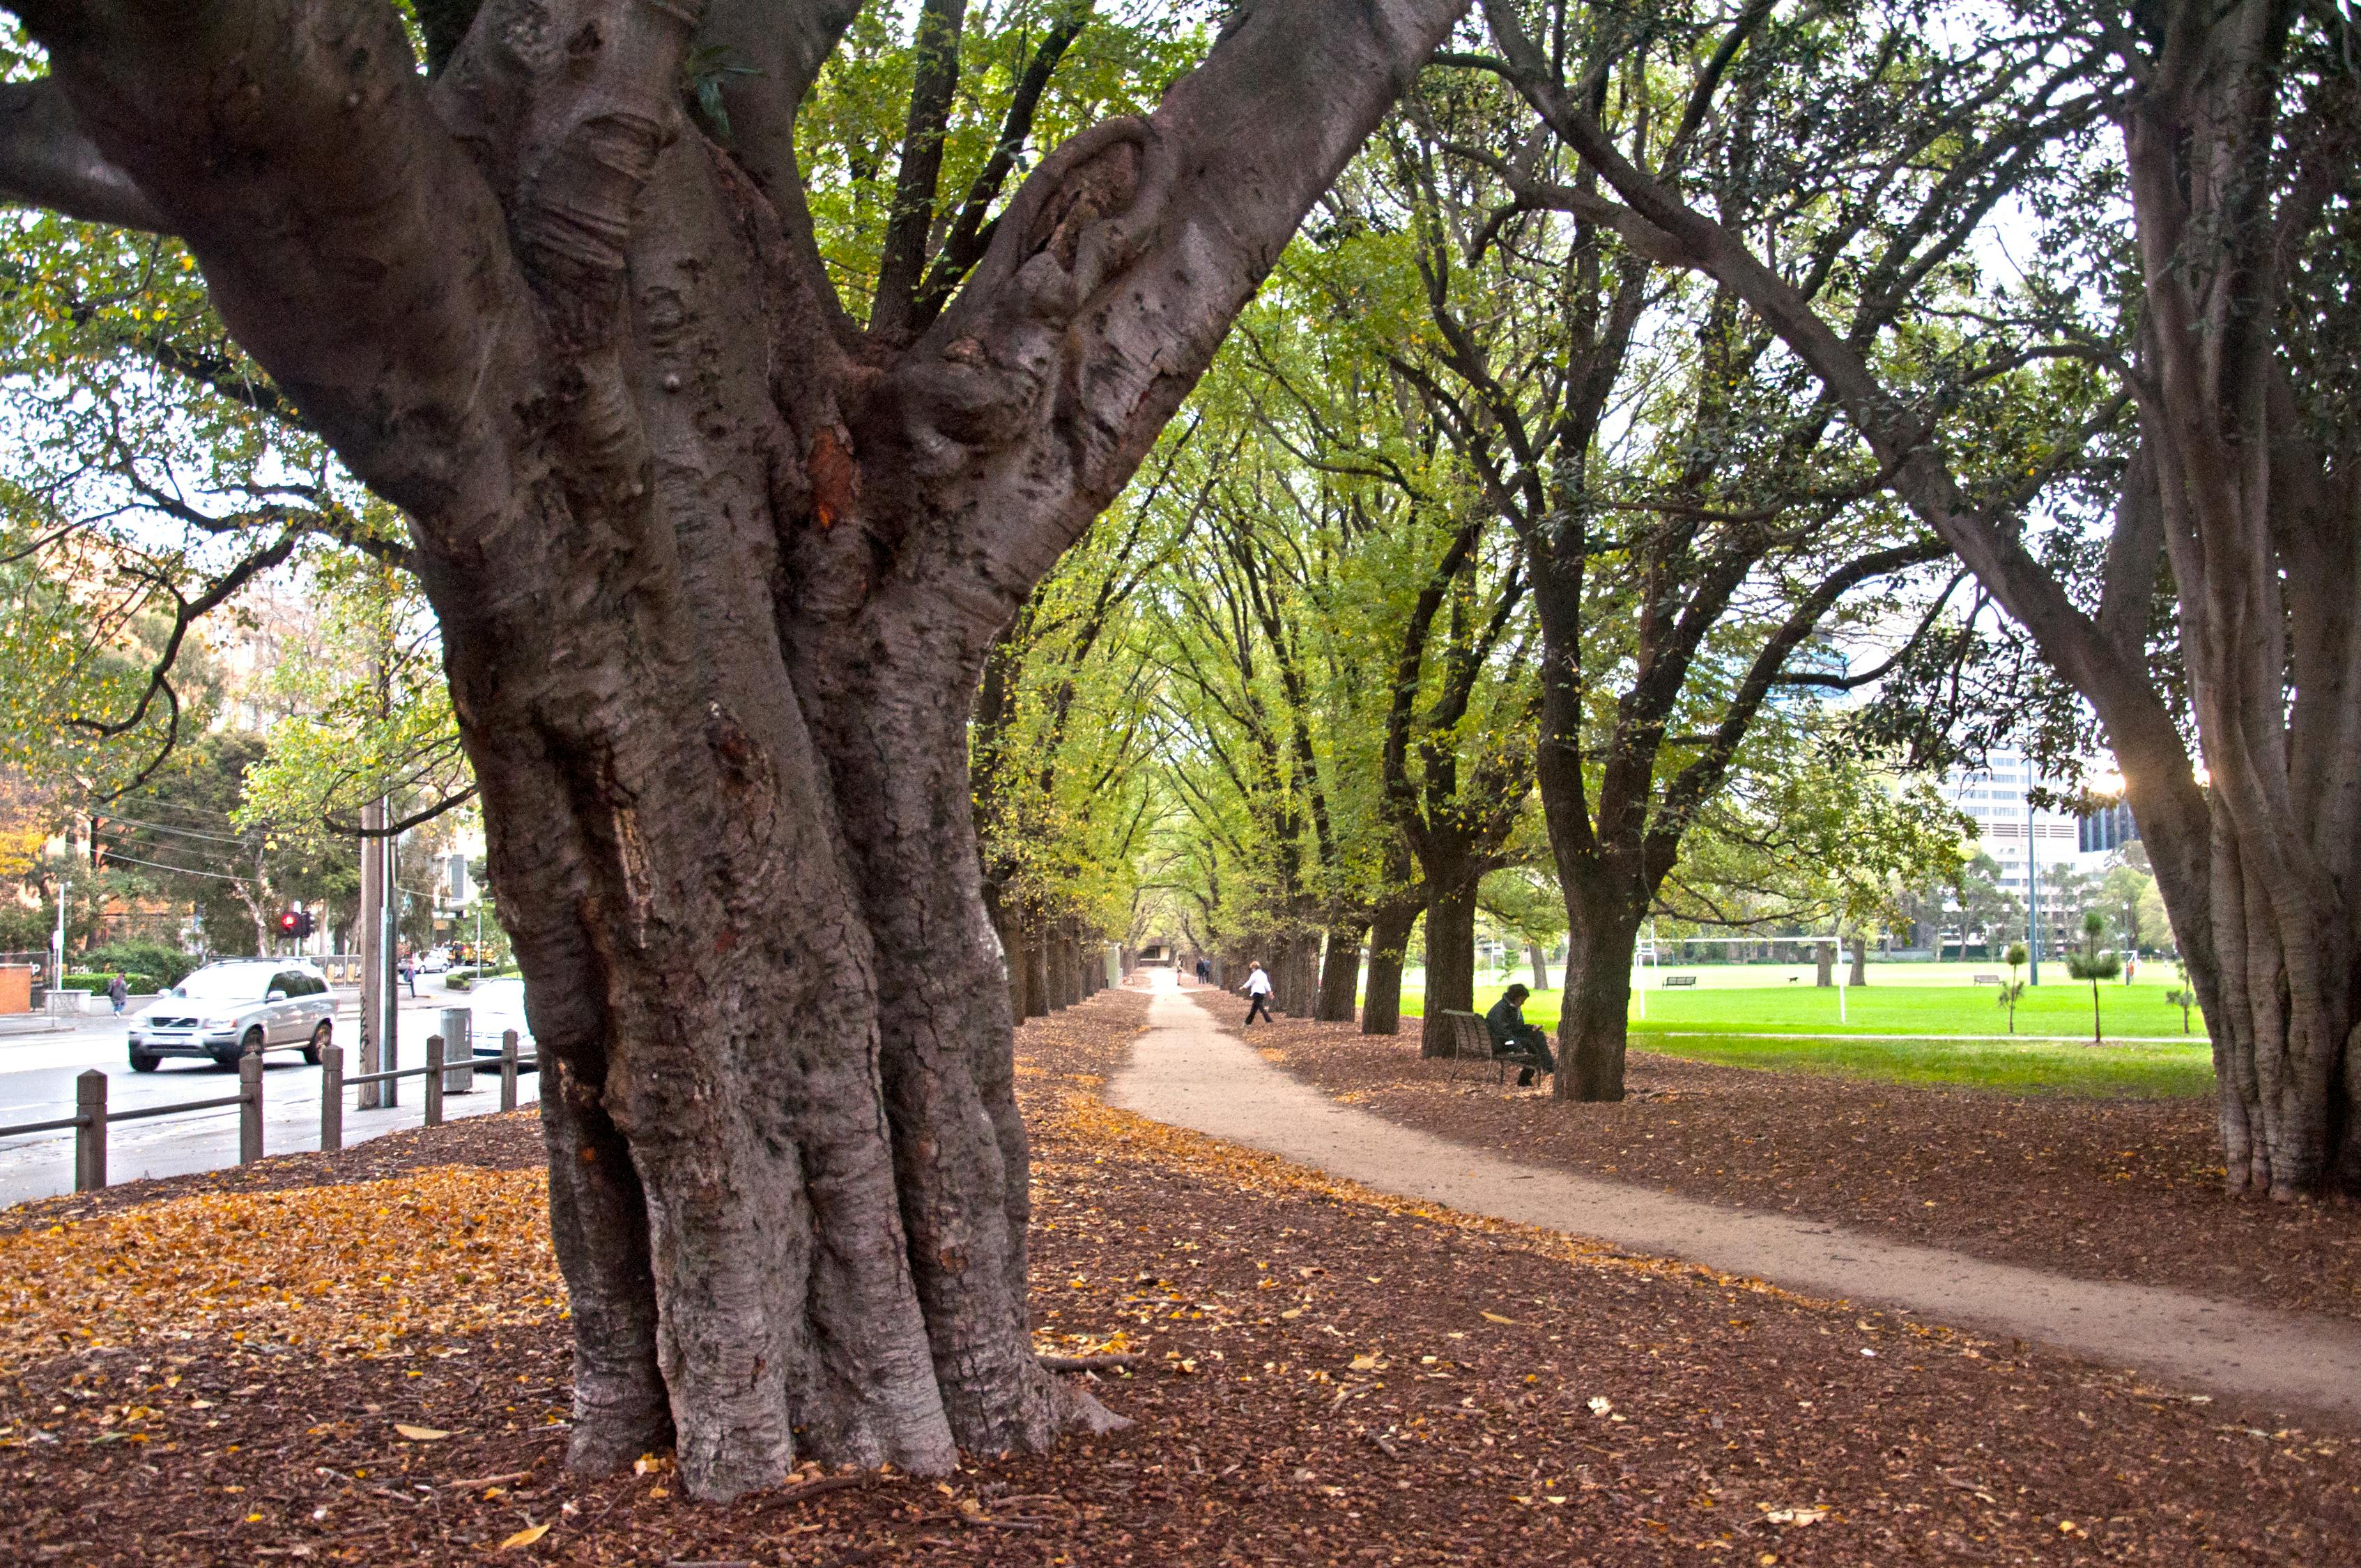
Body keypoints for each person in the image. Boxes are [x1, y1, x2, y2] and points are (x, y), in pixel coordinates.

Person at [1484, 984, 1555, 1087]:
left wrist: (1531, 1028)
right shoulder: (1500, 1011)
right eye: (1522, 1000)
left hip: (1509, 1039)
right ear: (1516, 997)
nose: (1523, 1003)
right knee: (1532, 1047)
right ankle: (1545, 1072)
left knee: (1538, 1036)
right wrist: (1520, 1049)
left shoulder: (1512, 1007)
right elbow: (1505, 1034)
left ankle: (1548, 1069)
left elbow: (1517, 1028)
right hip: (1503, 1042)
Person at [1240, 960, 1275, 1025]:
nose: (1252, 970)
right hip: (1262, 993)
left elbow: (1250, 982)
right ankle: (1247, 1022)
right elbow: (1267, 984)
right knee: (1254, 1009)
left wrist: (1243, 987)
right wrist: (1269, 992)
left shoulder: (1254, 975)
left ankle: (1269, 1020)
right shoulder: (1264, 975)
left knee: (1261, 1008)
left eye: (1252, 969)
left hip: (1256, 993)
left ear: (1254, 968)